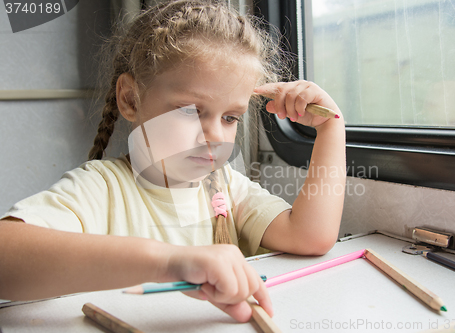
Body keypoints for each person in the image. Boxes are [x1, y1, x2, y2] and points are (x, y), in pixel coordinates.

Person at [0, 0, 346, 323]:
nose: (214, 136)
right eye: (191, 111)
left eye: (230, 118)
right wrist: (169, 262)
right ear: (130, 98)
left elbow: (311, 237)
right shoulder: (101, 187)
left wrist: (331, 128)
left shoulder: (225, 187)